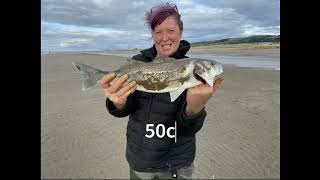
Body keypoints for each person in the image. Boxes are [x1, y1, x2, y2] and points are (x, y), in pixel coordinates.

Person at [99, 2, 223, 179]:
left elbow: (189, 129)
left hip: (177, 163)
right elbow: (126, 108)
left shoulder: (193, 73)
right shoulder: (138, 63)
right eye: (158, 32)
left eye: (171, 30)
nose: (165, 38)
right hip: (140, 159)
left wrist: (194, 109)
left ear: (180, 32)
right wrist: (117, 103)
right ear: (152, 35)